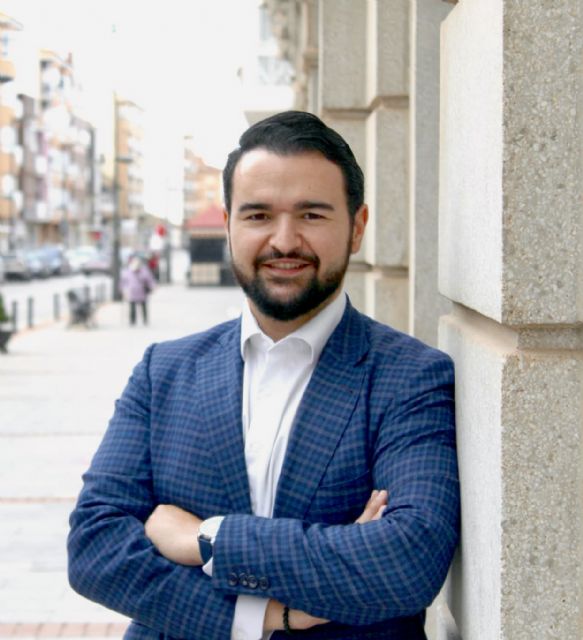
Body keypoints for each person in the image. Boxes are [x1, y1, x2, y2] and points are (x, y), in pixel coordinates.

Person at [68, 111, 459, 640]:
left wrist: (208, 538)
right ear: (229, 226)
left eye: (312, 214)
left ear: (357, 227)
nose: (284, 240)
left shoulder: (411, 377)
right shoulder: (164, 372)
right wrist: (271, 616)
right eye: (258, 215)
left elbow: (408, 560)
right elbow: (94, 549)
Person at [121, 255, 155, 326]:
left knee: (143, 306)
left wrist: (152, 286)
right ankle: (133, 320)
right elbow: (123, 281)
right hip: (133, 292)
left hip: (141, 291)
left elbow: (149, 280)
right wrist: (122, 289)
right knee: (133, 307)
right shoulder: (128, 271)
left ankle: (144, 320)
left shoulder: (144, 271)